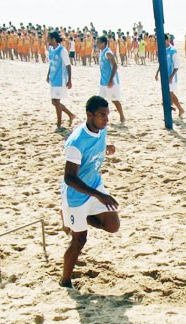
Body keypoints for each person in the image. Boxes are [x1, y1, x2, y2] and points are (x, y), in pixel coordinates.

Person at [59, 95, 120, 289]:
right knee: (79, 240)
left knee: (112, 225)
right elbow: (70, 178)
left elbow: (98, 145)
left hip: (94, 185)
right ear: (89, 115)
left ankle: (71, 219)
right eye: (102, 116)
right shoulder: (76, 142)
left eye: (107, 115)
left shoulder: (101, 129)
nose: (106, 119)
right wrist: (99, 195)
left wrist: (106, 148)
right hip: (76, 194)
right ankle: (65, 280)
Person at [46, 31, 76, 131]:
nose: (47, 40)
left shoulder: (62, 50)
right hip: (53, 79)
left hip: (61, 80)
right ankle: (71, 115)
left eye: (48, 38)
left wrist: (69, 80)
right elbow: (51, 63)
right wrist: (48, 75)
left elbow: (68, 65)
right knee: (53, 101)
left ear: (53, 39)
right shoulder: (50, 49)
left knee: (57, 101)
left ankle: (59, 124)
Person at [155, 34, 185, 118]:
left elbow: (177, 66)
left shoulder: (173, 51)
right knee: (168, 94)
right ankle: (176, 108)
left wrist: (171, 76)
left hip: (171, 78)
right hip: (164, 77)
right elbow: (161, 63)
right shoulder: (162, 50)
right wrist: (157, 73)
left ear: (167, 40)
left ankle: (177, 108)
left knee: (170, 94)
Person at [97, 36, 126, 122]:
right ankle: (104, 117)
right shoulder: (101, 52)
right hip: (103, 81)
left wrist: (110, 80)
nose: (97, 44)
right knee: (100, 101)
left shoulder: (108, 53)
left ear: (103, 43)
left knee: (114, 100)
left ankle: (122, 116)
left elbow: (115, 66)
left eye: (98, 42)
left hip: (111, 81)